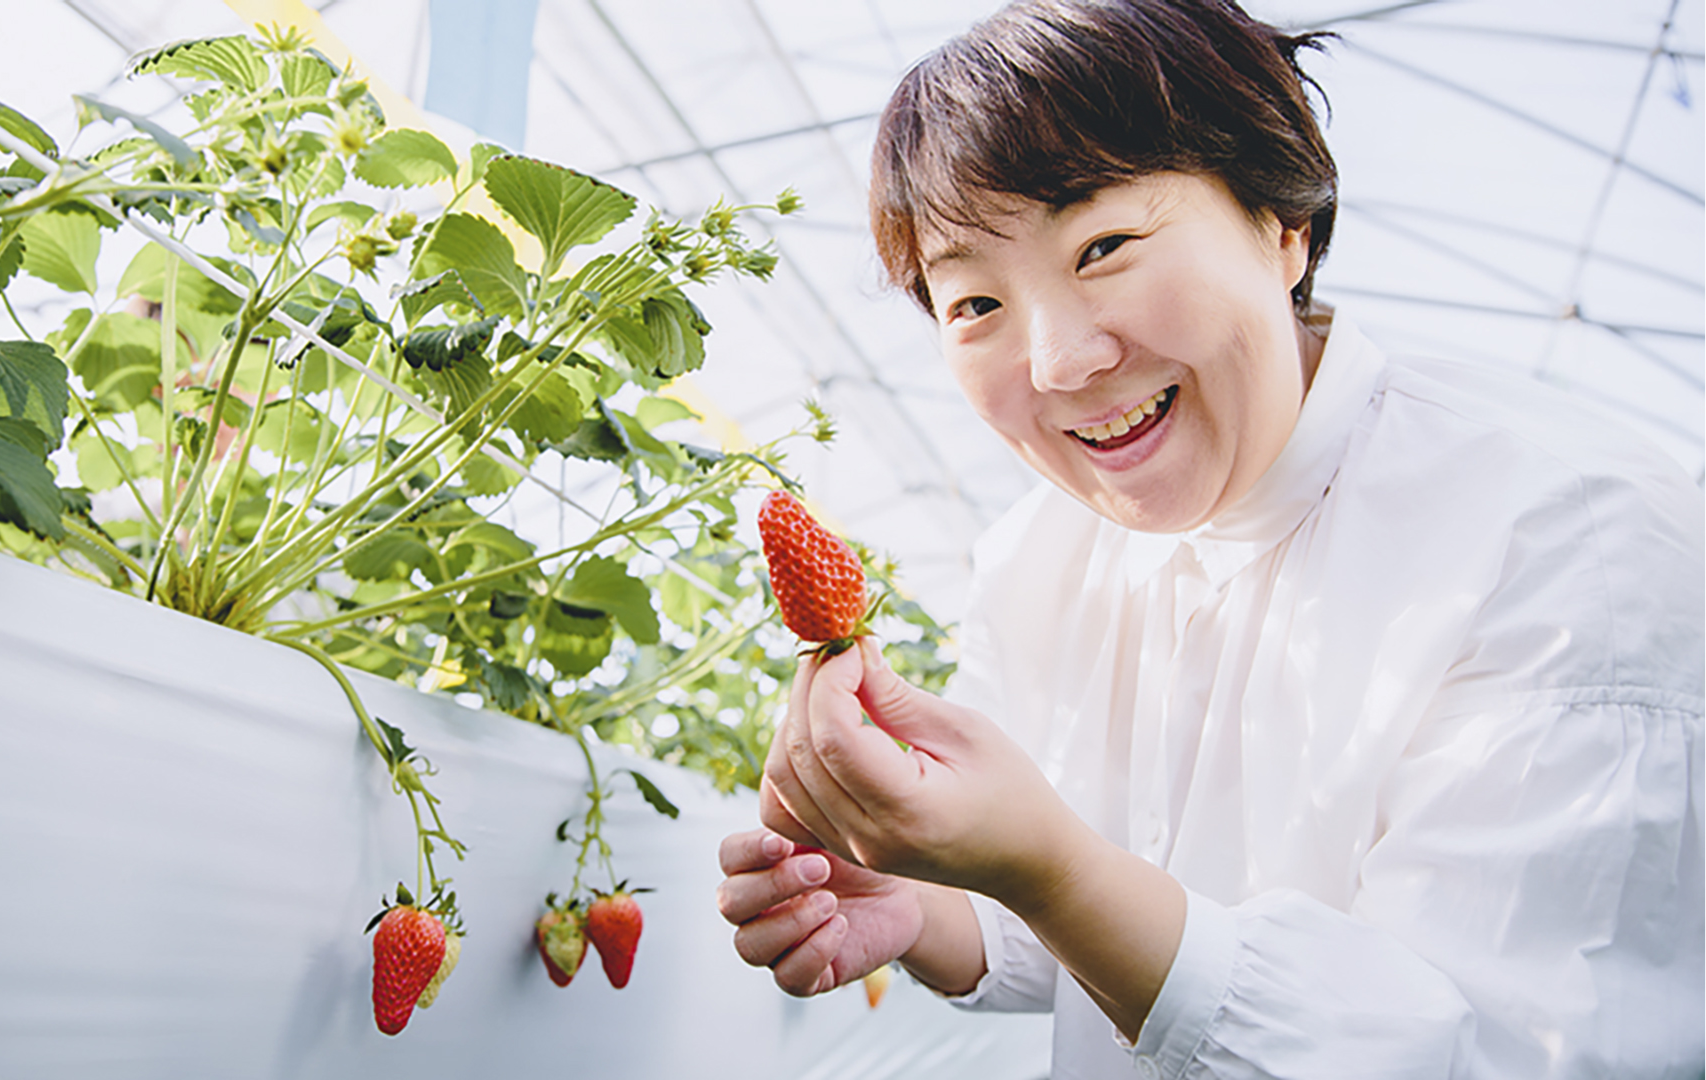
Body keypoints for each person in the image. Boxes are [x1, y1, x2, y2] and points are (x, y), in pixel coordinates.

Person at [713, 2, 1706, 1077]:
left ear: (1283, 224)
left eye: (1104, 246)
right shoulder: (1037, 563)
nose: (1057, 362)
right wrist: (928, 904)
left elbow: (1485, 1047)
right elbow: (1105, 927)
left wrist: (1049, 869)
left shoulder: (1565, 536)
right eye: (974, 303)